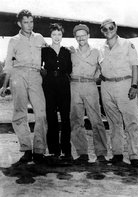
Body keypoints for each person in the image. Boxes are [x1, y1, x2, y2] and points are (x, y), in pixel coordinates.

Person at [0, 9, 47, 165]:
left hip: (35, 75)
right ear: (19, 23)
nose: (29, 25)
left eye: (31, 22)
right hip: (18, 75)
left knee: (41, 113)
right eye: (26, 22)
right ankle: (26, 149)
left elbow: (50, 55)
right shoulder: (14, 40)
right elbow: (8, 65)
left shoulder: (39, 38)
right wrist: (4, 86)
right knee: (20, 112)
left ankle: (39, 150)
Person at [99, 19, 138, 167]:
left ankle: (135, 156)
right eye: (104, 29)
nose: (108, 31)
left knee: (131, 121)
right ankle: (117, 154)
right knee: (113, 122)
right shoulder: (101, 48)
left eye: (111, 27)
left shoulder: (127, 44)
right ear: (102, 31)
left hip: (124, 85)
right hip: (106, 85)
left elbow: (135, 65)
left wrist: (134, 85)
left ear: (116, 27)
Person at [70, 24, 108, 164]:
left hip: (90, 86)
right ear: (75, 37)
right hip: (74, 86)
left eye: (83, 35)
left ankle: (101, 153)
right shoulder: (71, 52)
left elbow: (102, 67)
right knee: (76, 120)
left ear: (88, 36)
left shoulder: (97, 51)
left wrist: (96, 76)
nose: (81, 38)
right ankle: (82, 153)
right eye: (78, 36)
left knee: (96, 120)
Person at [41, 23, 73, 163]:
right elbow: (39, 66)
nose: (56, 37)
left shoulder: (67, 51)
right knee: (51, 117)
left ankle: (67, 150)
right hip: (49, 85)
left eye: (59, 34)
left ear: (62, 35)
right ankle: (54, 150)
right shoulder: (44, 51)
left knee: (66, 118)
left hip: (64, 85)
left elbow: (70, 69)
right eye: (54, 34)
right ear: (50, 35)